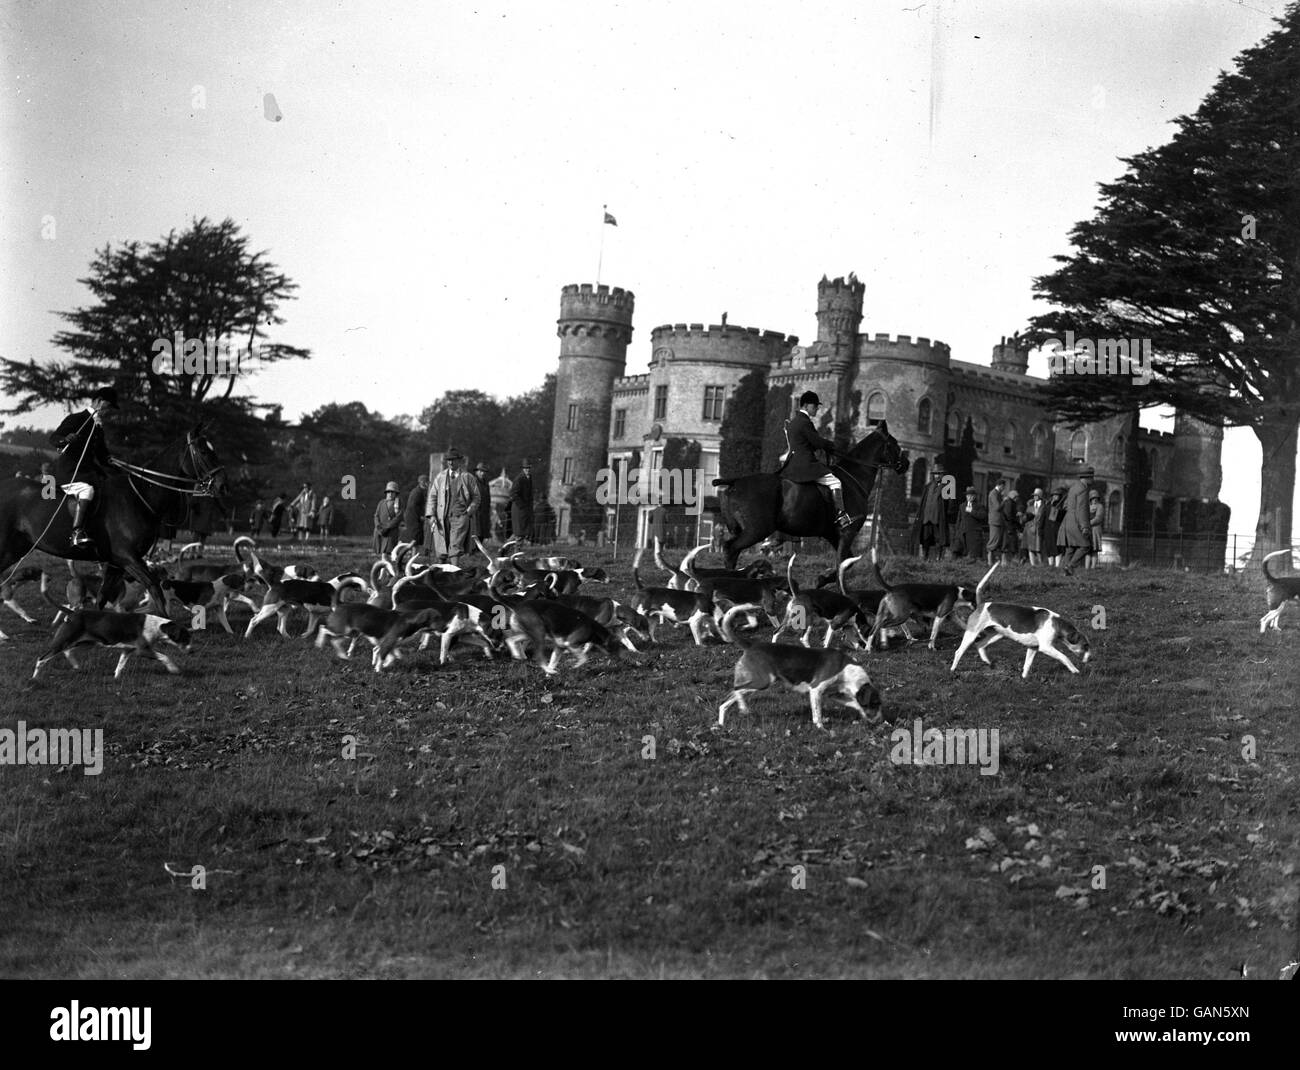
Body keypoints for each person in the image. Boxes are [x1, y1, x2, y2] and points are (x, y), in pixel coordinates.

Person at [48, 386, 119, 547]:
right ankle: (77, 532)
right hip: (70, 473)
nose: (108, 412)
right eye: (108, 407)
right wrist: (65, 439)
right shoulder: (77, 419)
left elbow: (102, 456)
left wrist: (113, 462)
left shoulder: (98, 427)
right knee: (87, 490)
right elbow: (53, 438)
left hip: (88, 473)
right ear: (99, 401)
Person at [780, 391, 856, 529]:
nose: (816, 409)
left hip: (790, 465)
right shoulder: (805, 422)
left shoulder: (793, 422)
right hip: (804, 465)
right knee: (835, 482)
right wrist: (831, 446)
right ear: (806, 406)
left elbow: (804, 443)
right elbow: (817, 442)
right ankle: (840, 515)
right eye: (815, 406)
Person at [429, 448, 481, 565]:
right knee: (442, 547)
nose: (451, 463)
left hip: (460, 517)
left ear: (459, 461)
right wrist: (431, 515)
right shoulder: (440, 477)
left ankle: (454, 573)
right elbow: (432, 496)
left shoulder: (468, 478)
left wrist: (468, 512)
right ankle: (441, 573)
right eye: (448, 460)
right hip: (442, 517)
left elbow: (476, 497)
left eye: (453, 460)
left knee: (455, 546)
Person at [908, 460, 950, 561]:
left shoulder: (946, 487)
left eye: (939, 474)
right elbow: (923, 502)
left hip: (938, 518)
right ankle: (924, 557)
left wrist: (946, 515)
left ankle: (938, 558)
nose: (937, 476)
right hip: (926, 518)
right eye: (935, 474)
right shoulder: (928, 486)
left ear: (942, 475)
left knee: (939, 539)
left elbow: (950, 504)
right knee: (925, 539)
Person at [1059, 467, 1094, 574]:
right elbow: (1082, 509)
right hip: (1076, 522)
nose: (1093, 480)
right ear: (1087, 478)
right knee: (1085, 546)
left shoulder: (1073, 487)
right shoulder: (1083, 489)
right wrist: (1085, 527)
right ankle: (1070, 566)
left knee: (1070, 547)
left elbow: (1065, 505)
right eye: (1092, 477)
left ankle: (1064, 571)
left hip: (1067, 521)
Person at [952, 486, 987, 560]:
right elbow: (959, 519)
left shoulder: (979, 506)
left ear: (974, 496)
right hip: (962, 533)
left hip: (973, 533)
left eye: (971, 496)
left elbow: (983, 516)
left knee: (973, 555)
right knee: (957, 552)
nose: (969, 497)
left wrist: (972, 511)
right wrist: (957, 531)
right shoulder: (962, 506)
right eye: (968, 496)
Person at [373, 481, 403, 555]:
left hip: (391, 532)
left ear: (396, 493)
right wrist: (378, 526)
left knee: (389, 553)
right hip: (380, 531)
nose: (390, 494)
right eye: (388, 492)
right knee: (381, 553)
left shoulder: (398, 503)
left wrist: (387, 527)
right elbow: (376, 516)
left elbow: (398, 517)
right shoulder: (381, 503)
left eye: (392, 492)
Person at [509, 459, 534, 544]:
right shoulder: (519, 479)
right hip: (519, 509)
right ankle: (506, 550)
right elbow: (513, 494)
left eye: (529, 468)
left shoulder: (529, 478)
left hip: (525, 510)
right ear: (523, 469)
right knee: (519, 533)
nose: (527, 470)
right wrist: (522, 505)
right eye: (525, 468)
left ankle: (511, 551)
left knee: (522, 533)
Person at [986, 477, 1007, 567]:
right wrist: (1004, 500)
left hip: (998, 521)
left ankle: (992, 561)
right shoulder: (993, 494)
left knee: (998, 540)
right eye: (1004, 486)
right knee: (994, 540)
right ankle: (989, 561)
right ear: (1000, 485)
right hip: (995, 521)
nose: (1004, 488)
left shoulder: (997, 493)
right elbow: (997, 507)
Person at [404, 474, 428, 547]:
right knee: (415, 540)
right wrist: (420, 516)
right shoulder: (417, 492)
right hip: (414, 519)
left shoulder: (420, 491)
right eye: (427, 482)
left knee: (417, 539)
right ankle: (412, 555)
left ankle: (414, 555)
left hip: (415, 519)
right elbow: (413, 506)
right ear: (422, 482)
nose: (428, 484)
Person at [1000, 488, 1021, 565]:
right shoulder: (1010, 503)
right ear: (1013, 496)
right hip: (1009, 526)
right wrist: (1016, 520)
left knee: (1008, 543)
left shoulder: (1008, 502)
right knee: (1011, 543)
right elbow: (1008, 515)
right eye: (1016, 497)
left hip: (1007, 525)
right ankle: (1009, 561)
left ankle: (1006, 561)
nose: (1017, 499)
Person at [473, 462, 492, 544]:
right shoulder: (473, 481)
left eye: (484, 471)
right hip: (476, 511)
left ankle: (478, 551)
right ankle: (473, 552)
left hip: (484, 511)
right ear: (477, 472)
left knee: (482, 533)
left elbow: (488, 497)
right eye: (481, 471)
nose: (482, 473)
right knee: (476, 532)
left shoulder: (486, 483)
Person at [1025, 488, 1044, 566]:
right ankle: (1032, 564)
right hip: (1030, 528)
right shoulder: (1030, 505)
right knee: (1030, 547)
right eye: (1034, 495)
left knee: (1038, 548)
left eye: (1036, 495)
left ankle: (1040, 563)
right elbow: (1027, 515)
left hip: (1038, 528)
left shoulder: (1043, 505)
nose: (1034, 497)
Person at [1088, 490, 1105, 569]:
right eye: (1092, 498)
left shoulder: (1100, 507)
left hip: (1095, 530)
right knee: (1087, 550)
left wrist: (1088, 523)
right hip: (1087, 530)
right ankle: (1086, 568)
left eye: (1096, 498)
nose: (1094, 499)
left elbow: (1098, 518)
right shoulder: (1087, 507)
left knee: (1094, 549)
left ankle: (1093, 567)